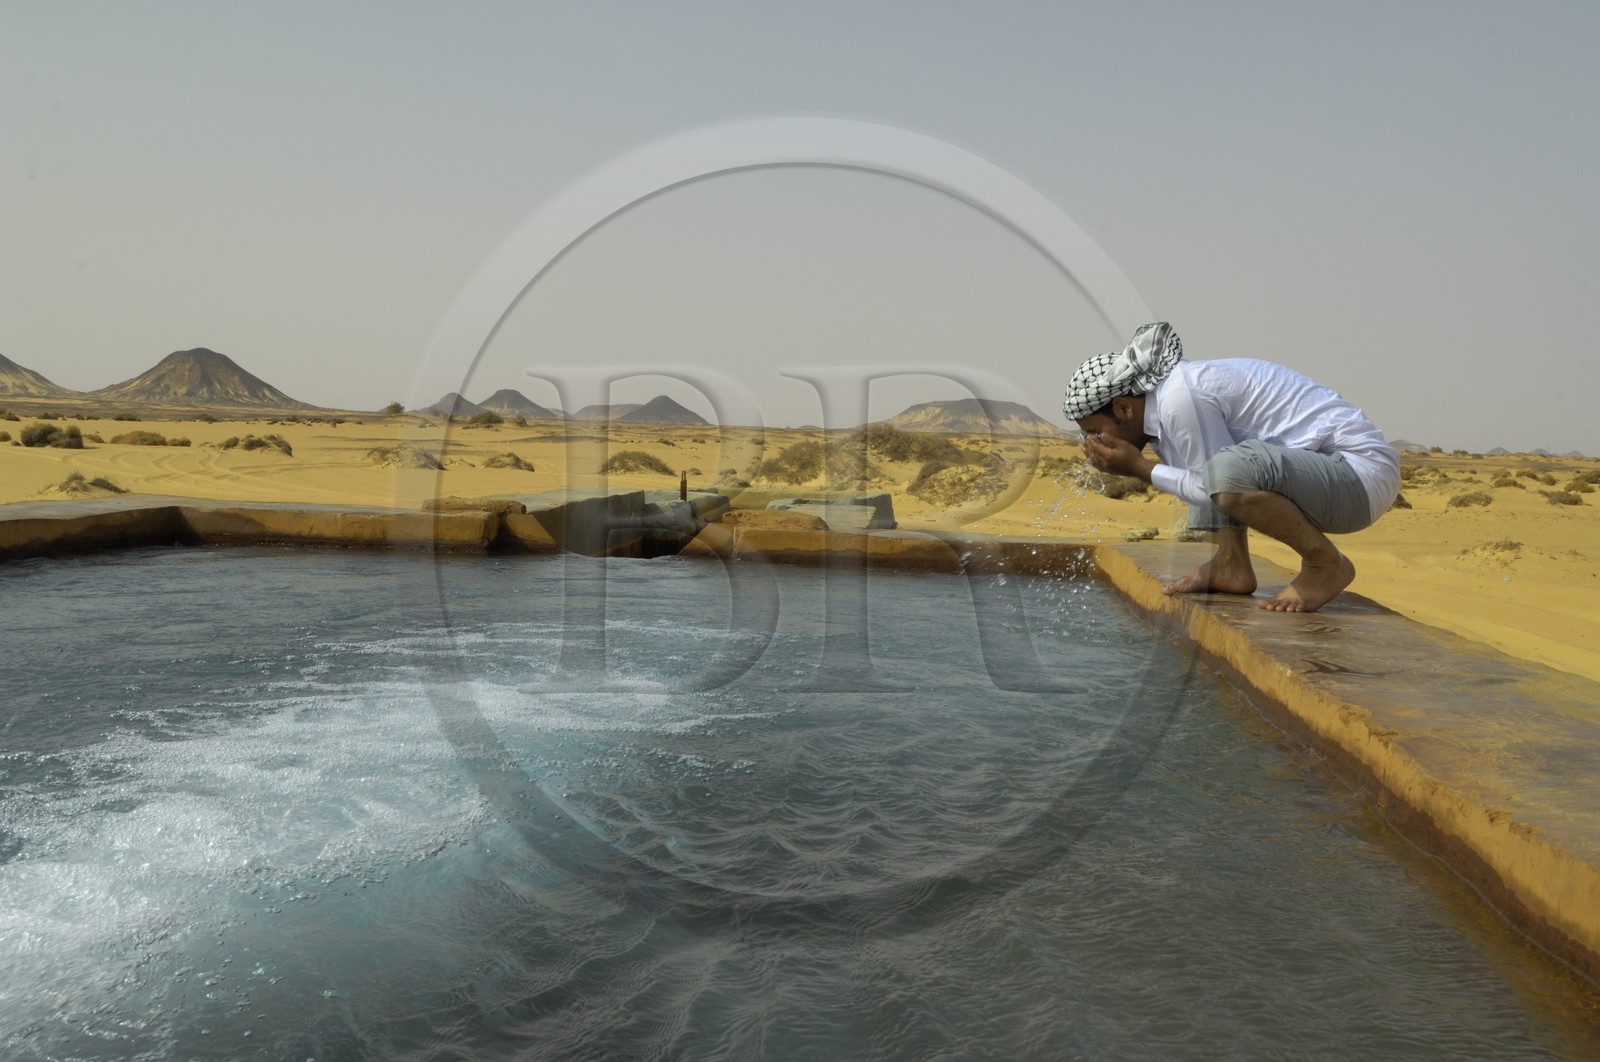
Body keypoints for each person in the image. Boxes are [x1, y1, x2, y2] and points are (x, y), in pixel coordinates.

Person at [1064, 322, 1400, 613]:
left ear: (1123, 407)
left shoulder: (1180, 398)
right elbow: (1202, 481)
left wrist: (1139, 468)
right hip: (1335, 478)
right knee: (1210, 464)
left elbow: (1213, 484)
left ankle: (1324, 563)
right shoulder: (1162, 418)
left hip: (1358, 477)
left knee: (1223, 471)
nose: (1093, 442)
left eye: (1095, 431)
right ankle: (1231, 563)